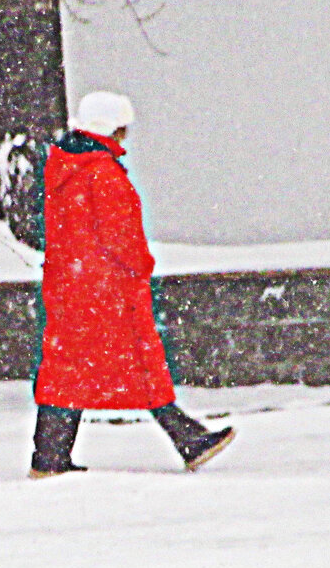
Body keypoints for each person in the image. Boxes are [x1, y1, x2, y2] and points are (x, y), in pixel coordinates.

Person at [30, 91, 235, 478]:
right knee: (142, 363)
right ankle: (187, 440)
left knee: (66, 369)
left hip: (70, 285)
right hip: (108, 288)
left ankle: (49, 457)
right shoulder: (102, 172)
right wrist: (141, 266)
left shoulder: (63, 168)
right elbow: (121, 236)